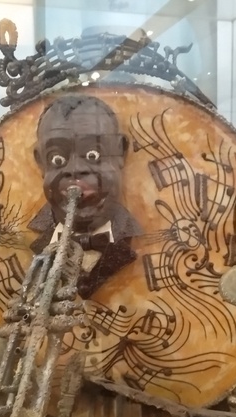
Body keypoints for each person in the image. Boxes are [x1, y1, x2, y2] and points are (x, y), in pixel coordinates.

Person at [29, 94, 142, 298]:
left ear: (120, 151)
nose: (75, 170)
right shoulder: (29, 242)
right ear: (40, 162)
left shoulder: (142, 240)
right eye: (57, 159)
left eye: (93, 155)